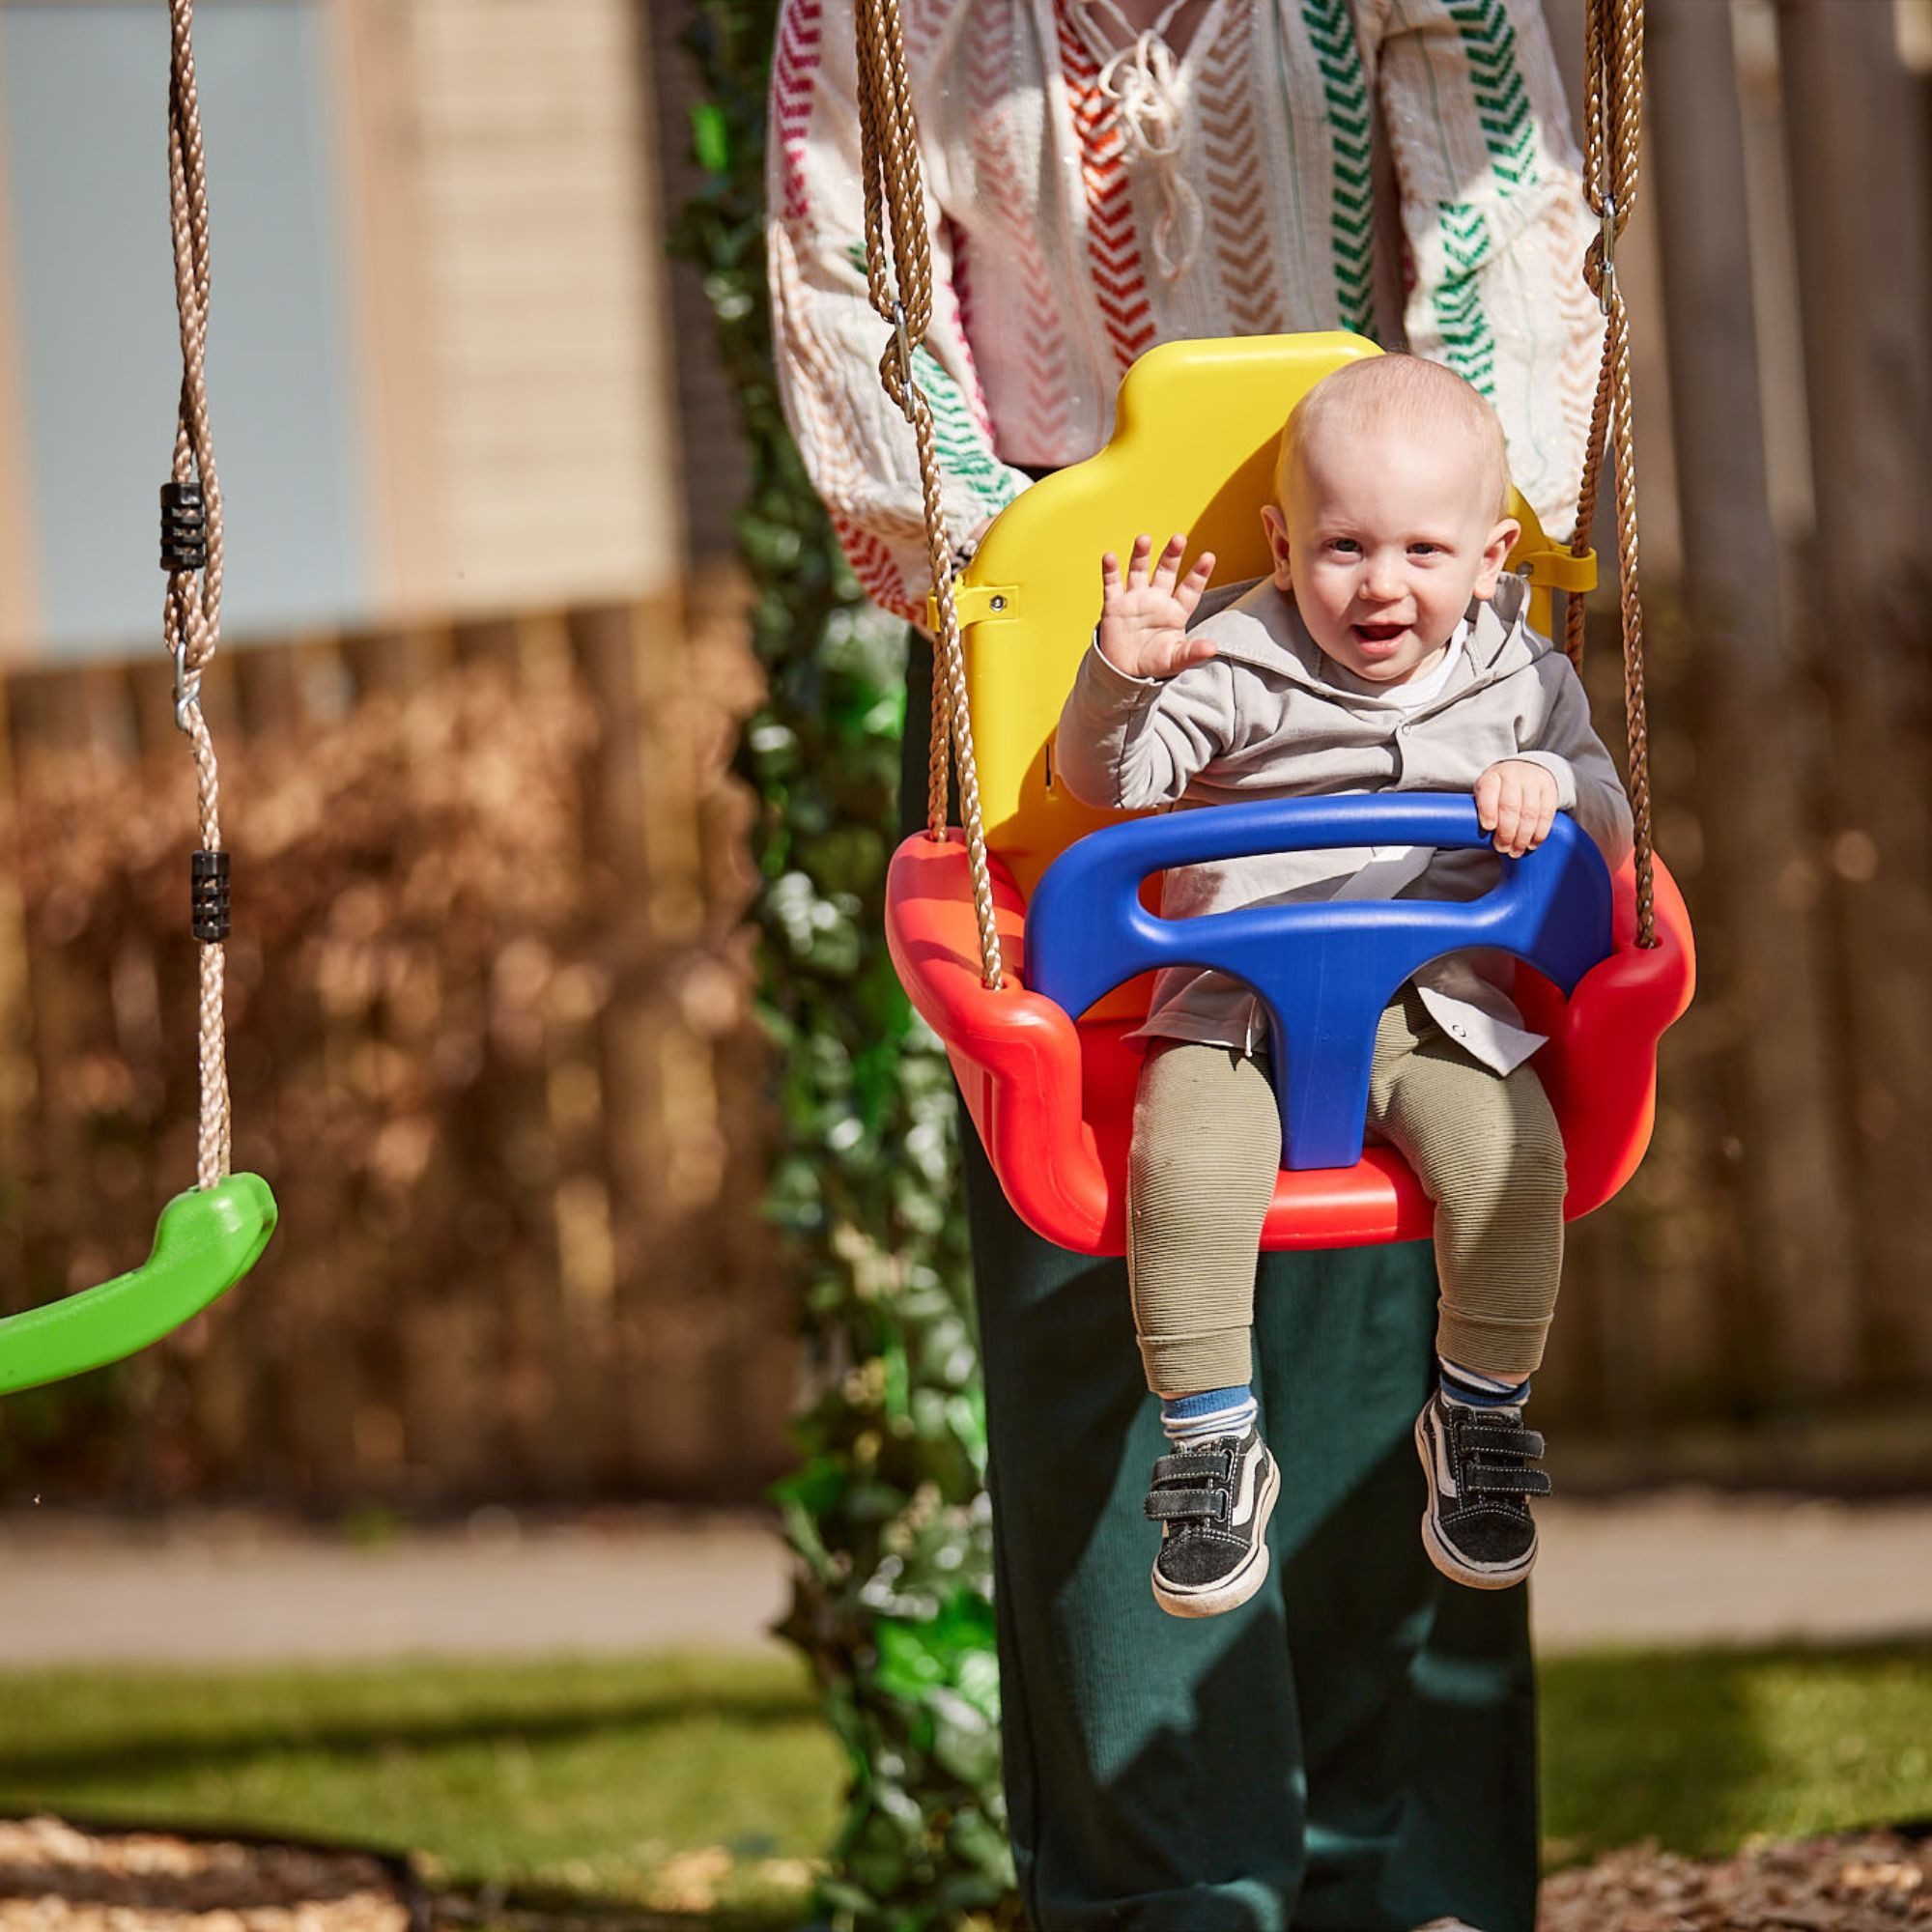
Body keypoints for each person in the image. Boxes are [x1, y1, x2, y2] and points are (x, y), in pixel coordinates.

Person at [769, 3, 1604, 1925]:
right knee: (1117, 1269)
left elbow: (1508, 202)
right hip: (1077, 664)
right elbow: (845, 277)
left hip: (1387, 638)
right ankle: (1172, 1891)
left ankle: (1409, 1879)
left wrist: (1466, 522)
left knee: (1393, 1248)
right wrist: (1034, 580)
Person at [1055, 355, 1633, 1619]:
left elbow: (1614, 822)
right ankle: (1210, 1442)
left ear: (1489, 561)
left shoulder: (1523, 682)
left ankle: (1477, 1419)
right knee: (1183, 1170)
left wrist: (1555, 797)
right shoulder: (1231, 658)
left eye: (1424, 552)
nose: (1382, 584)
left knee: (1514, 1165)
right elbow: (1111, 786)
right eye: (1343, 546)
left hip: (1439, 1013)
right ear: (1282, 542)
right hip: (1230, 1013)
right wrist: (1121, 675)